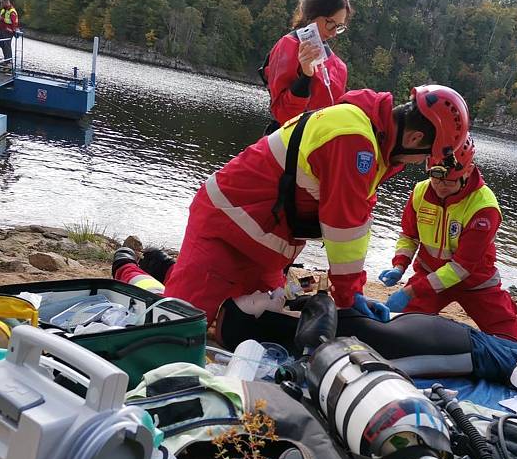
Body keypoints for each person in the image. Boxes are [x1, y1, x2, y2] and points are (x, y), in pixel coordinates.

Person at [112, 84, 470, 339]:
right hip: (227, 229)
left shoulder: (373, 145)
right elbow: (343, 229)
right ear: (415, 139)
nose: (419, 164)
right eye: (424, 156)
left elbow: (358, 223)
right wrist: (350, 299)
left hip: (265, 247)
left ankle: (164, 267)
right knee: (178, 325)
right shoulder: (354, 141)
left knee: (243, 319)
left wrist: (355, 290)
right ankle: (127, 268)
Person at [378, 133, 517, 341]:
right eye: (436, 179)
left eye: (449, 181)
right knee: (397, 328)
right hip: (430, 275)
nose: (440, 186)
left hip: (476, 283)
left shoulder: (484, 207)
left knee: (511, 341)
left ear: (469, 171)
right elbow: (409, 236)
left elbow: (461, 268)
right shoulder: (420, 192)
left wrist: (410, 291)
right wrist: (399, 265)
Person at [259, 0, 351, 134]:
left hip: (318, 145)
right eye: (330, 23)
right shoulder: (289, 46)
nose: (333, 33)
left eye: (339, 26)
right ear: (313, 12)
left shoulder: (338, 67)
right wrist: (306, 77)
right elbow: (283, 114)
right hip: (288, 142)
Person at [0, 0, 18, 65]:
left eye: (2, 3)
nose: (1, 4)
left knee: (7, 46)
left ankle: (9, 62)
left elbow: (12, 22)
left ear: (7, 2)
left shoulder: (12, 11)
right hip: (2, 30)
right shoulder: (3, 10)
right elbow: (2, 19)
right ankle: (6, 60)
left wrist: (1, 19)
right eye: (1, 3)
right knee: (2, 45)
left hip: (9, 31)